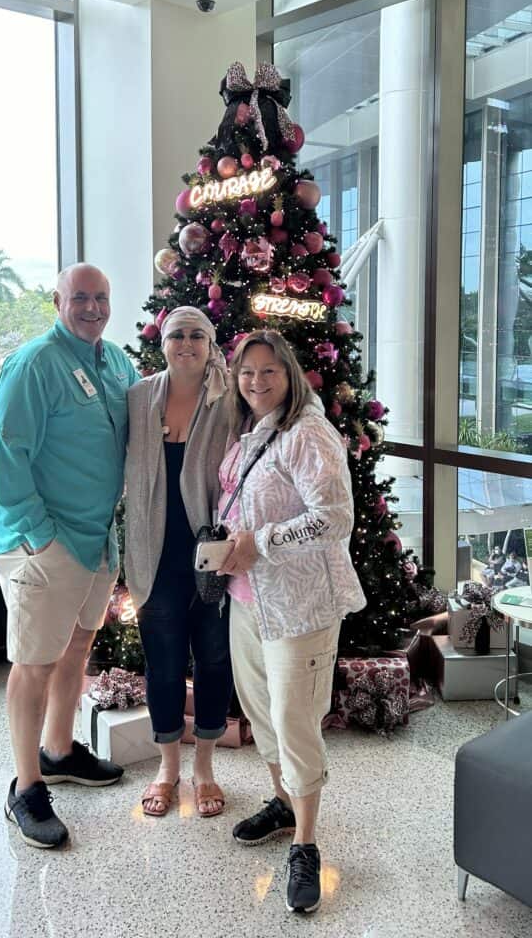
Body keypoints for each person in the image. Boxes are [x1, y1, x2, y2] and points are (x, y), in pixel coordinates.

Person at [0, 262, 139, 849]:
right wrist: (40, 537)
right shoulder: (33, 363)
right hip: (45, 543)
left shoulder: (117, 361)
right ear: (58, 300)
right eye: (81, 297)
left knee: (77, 645)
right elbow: (3, 459)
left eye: (101, 297)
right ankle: (25, 789)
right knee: (33, 663)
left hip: (98, 541)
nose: (93, 307)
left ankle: (58, 751)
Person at [217, 329, 366, 914]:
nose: (256, 381)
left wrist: (263, 542)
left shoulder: (308, 432)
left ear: (290, 375)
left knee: (293, 718)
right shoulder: (255, 430)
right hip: (248, 599)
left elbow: (334, 518)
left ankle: (305, 843)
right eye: (246, 372)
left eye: (268, 371)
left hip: (300, 607)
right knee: (261, 712)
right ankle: (284, 803)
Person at [124, 306, 232, 819]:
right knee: (163, 665)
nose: (186, 343)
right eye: (176, 335)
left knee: (213, 661)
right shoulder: (139, 397)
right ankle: (167, 766)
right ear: (161, 343)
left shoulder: (230, 397)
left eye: (197, 335)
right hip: (153, 556)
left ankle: (204, 767)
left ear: (211, 344)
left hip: (211, 558)